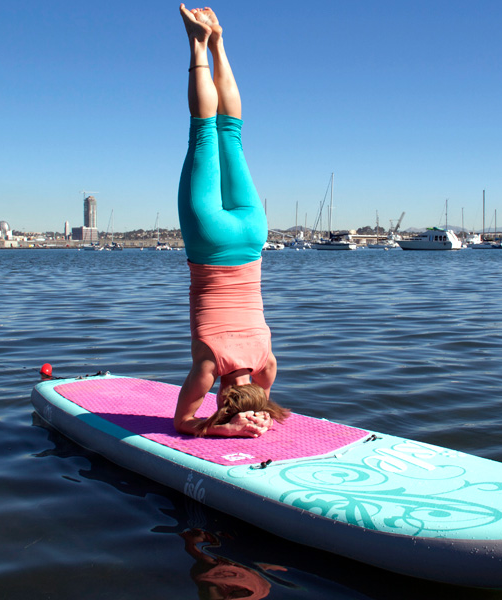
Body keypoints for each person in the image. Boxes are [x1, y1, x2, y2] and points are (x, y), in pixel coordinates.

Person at [174, 5, 289, 438]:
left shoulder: (266, 363)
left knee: (232, 132)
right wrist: (223, 429)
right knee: (204, 130)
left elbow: (261, 392)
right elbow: (183, 422)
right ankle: (197, 41)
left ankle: (219, 40)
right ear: (220, 399)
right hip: (209, 242)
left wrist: (252, 411)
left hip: (252, 237)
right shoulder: (209, 367)